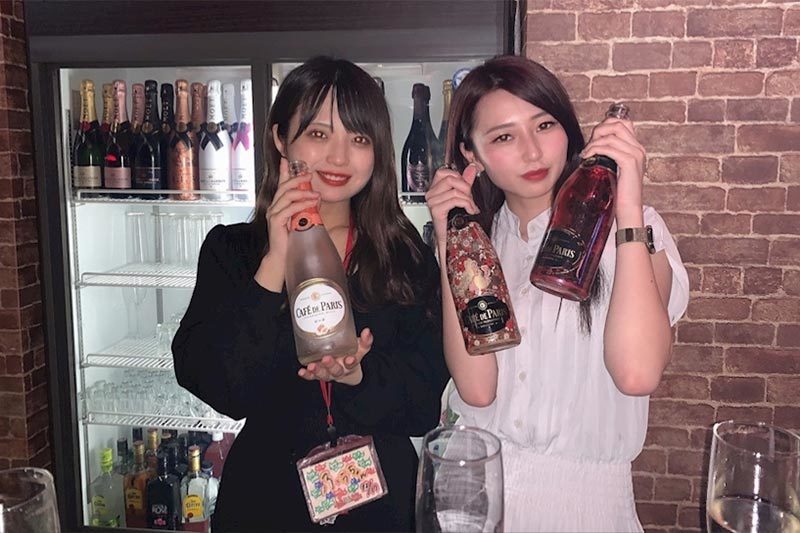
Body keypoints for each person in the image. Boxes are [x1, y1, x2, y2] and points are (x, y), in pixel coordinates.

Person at [172, 56, 448, 532]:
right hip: (267, 500)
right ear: (281, 138)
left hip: (380, 505)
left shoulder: (405, 257)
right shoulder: (233, 251)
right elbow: (216, 384)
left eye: (359, 139)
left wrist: (359, 376)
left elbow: (425, 404)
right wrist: (275, 261)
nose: (339, 157)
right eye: (319, 134)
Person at [426, 55, 690, 532]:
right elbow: (477, 391)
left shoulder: (635, 229)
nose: (532, 151)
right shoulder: (477, 241)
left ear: (568, 130)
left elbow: (637, 372)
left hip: (586, 508)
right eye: (504, 137)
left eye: (544, 125)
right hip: (475, 496)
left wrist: (627, 206)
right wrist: (452, 243)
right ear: (471, 154)